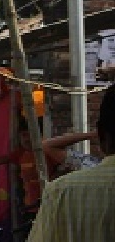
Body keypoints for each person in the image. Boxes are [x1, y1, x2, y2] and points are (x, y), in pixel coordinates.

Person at [27, 84, 115, 242]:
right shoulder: (86, 164)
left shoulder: (62, 191)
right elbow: (47, 146)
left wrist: (95, 133)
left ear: (103, 138)